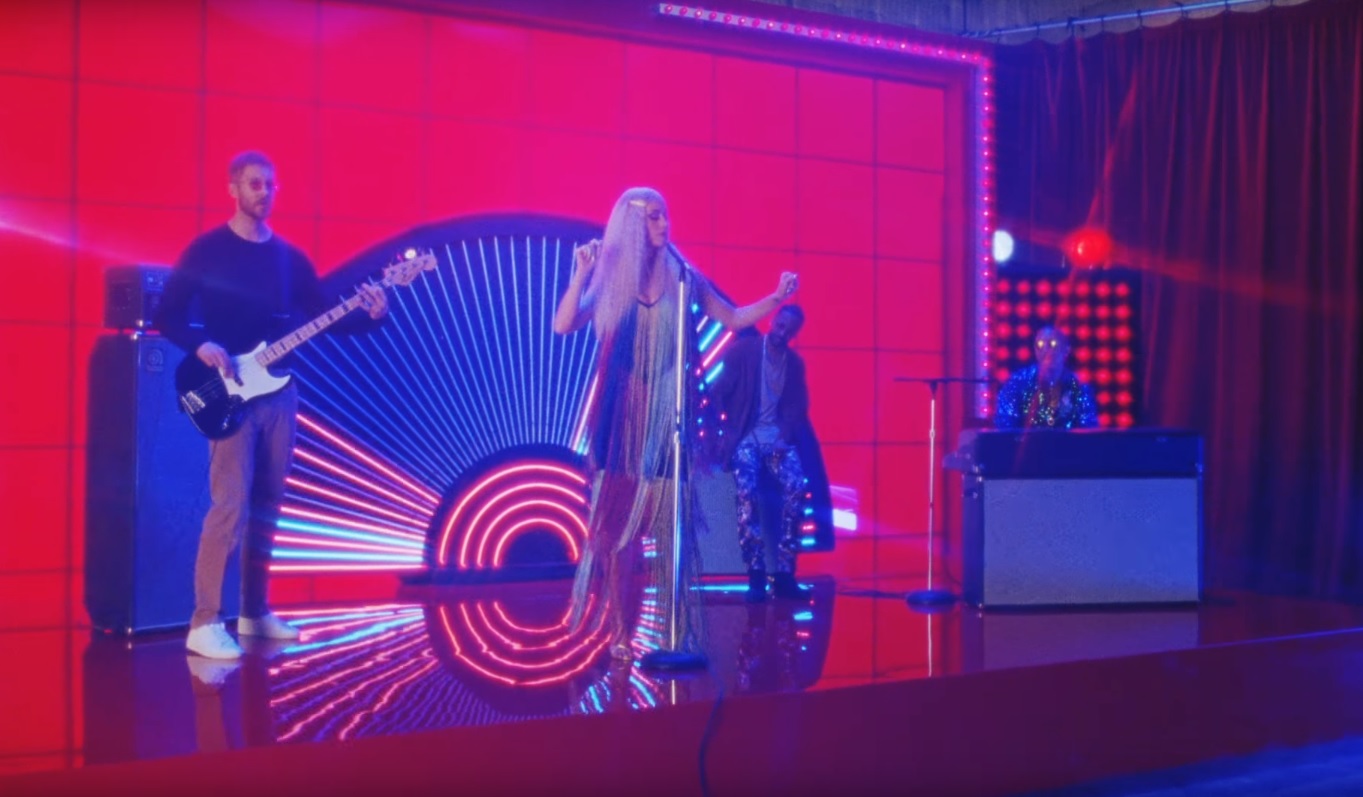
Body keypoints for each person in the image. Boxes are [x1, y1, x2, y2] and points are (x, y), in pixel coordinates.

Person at [157, 151, 389, 660]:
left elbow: (328, 316)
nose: (264, 192)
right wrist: (200, 344)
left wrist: (372, 315)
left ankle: (254, 613)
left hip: (280, 393)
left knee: (268, 504)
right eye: (254, 184)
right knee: (229, 506)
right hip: (226, 386)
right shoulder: (208, 250)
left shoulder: (290, 259)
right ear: (233, 189)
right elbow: (166, 314)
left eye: (270, 185)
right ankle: (204, 622)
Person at [552, 186, 798, 662]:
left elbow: (732, 318)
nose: (664, 225)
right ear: (632, 224)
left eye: (664, 216)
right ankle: (621, 630)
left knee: (671, 527)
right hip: (622, 416)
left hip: (669, 415)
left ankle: (675, 627)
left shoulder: (682, 274)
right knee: (617, 533)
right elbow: (564, 324)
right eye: (654, 217)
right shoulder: (611, 277)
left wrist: (776, 297)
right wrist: (580, 274)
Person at [709, 305, 814, 602]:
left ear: (795, 333)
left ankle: (784, 573)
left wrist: (784, 435)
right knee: (747, 494)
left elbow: (797, 406)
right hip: (745, 439)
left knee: (797, 487)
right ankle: (755, 574)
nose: (782, 333)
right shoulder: (744, 352)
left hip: (777, 440)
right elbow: (717, 393)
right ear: (773, 320)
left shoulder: (794, 364)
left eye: (789, 330)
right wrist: (725, 429)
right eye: (780, 325)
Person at [995, 326, 1098, 430]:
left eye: (1052, 344)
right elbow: (1005, 425)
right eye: (1040, 345)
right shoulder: (1018, 382)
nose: (1046, 350)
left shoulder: (1079, 386)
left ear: (1066, 350)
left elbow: (1089, 428)